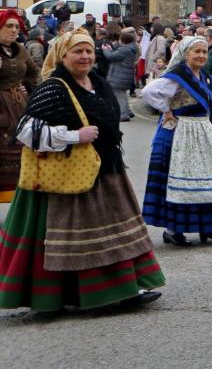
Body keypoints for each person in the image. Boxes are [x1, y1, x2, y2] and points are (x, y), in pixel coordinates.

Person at [0, 29, 164, 311]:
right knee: (82, 242)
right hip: (71, 178)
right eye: (77, 51)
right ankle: (91, 296)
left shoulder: (98, 83)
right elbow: (26, 131)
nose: (85, 56)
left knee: (113, 235)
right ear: (63, 56)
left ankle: (124, 289)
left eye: (88, 51)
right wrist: (75, 136)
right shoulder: (53, 87)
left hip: (107, 171)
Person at [141, 37, 212, 246]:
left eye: (204, 52)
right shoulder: (177, 76)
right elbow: (148, 92)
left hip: (201, 131)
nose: (201, 56)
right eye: (197, 52)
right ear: (186, 54)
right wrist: (166, 110)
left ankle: (211, 226)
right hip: (180, 133)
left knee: (208, 177)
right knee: (178, 181)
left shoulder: (205, 76)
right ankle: (173, 230)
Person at [0, 11, 40, 203]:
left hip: (19, 107)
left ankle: (16, 204)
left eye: (17, 26)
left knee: (21, 153)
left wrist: (28, 90)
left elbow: (33, 73)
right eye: (9, 26)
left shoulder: (21, 49)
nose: (14, 30)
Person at [102, 29, 139, 122]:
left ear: (123, 40)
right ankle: (128, 111)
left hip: (120, 76)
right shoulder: (130, 48)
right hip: (124, 75)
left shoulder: (125, 50)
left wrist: (105, 50)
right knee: (122, 94)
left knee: (120, 95)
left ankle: (123, 114)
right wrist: (110, 50)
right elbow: (115, 54)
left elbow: (111, 57)